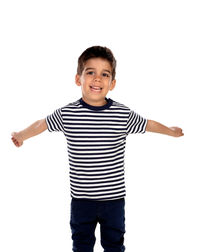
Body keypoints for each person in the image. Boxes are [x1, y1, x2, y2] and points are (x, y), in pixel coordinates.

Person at [11, 46, 184, 252]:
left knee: (114, 244)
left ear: (112, 83)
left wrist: (171, 131)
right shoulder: (68, 113)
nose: (97, 79)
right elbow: (42, 124)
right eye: (90, 72)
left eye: (105, 74)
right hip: (81, 199)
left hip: (113, 199)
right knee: (81, 244)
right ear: (78, 79)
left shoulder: (122, 114)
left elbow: (149, 124)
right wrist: (22, 135)